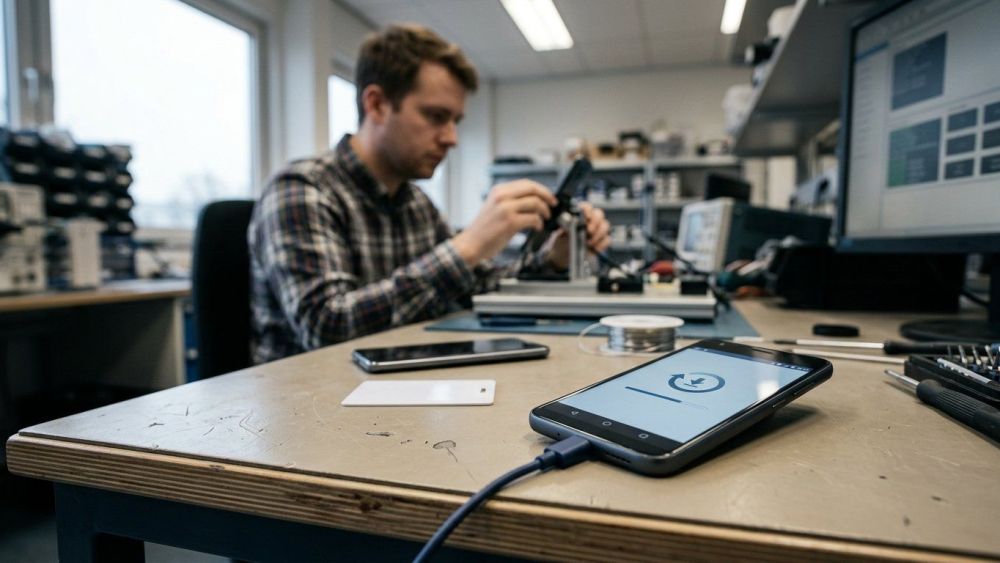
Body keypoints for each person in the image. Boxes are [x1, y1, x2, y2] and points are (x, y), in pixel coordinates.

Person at [248, 24, 610, 364]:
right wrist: (467, 246)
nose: (451, 138)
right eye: (436, 116)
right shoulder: (302, 190)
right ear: (376, 104)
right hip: (310, 398)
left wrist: (553, 259)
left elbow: (474, 287)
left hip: (397, 386)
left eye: (455, 121)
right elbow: (326, 328)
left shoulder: (417, 204)